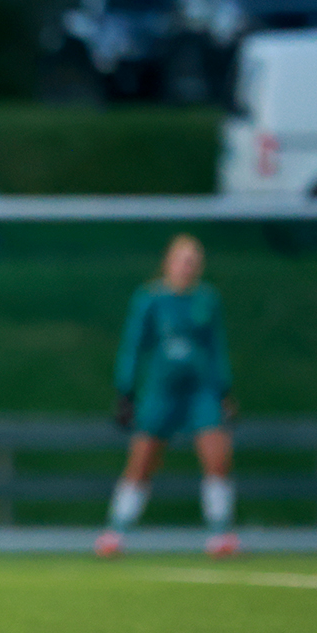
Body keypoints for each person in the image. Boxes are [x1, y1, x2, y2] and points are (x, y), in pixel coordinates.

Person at [96, 233, 239, 558]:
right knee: (143, 460)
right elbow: (133, 346)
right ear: (168, 263)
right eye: (182, 260)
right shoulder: (150, 299)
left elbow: (216, 348)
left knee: (218, 457)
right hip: (162, 391)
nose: (188, 267)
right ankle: (114, 532)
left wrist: (224, 390)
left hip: (200, 391)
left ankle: (221, 534)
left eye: (194, 262)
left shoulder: (207, 299)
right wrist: (125, 392)